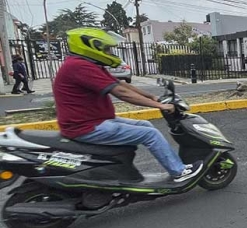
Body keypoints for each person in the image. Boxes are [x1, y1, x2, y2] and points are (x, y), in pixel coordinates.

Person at [54, 28, 203, 183]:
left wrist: (152, 96)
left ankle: (132, 169)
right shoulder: (79, 66)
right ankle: (179, 171)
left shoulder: (88, 65)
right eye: (106, 48)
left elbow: (120, 84)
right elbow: (121, 93)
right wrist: (160, 106)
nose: (110, 51)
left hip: (96, 122)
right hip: (86, 128)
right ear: (91, 47)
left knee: (145, 125)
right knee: (150, 135)